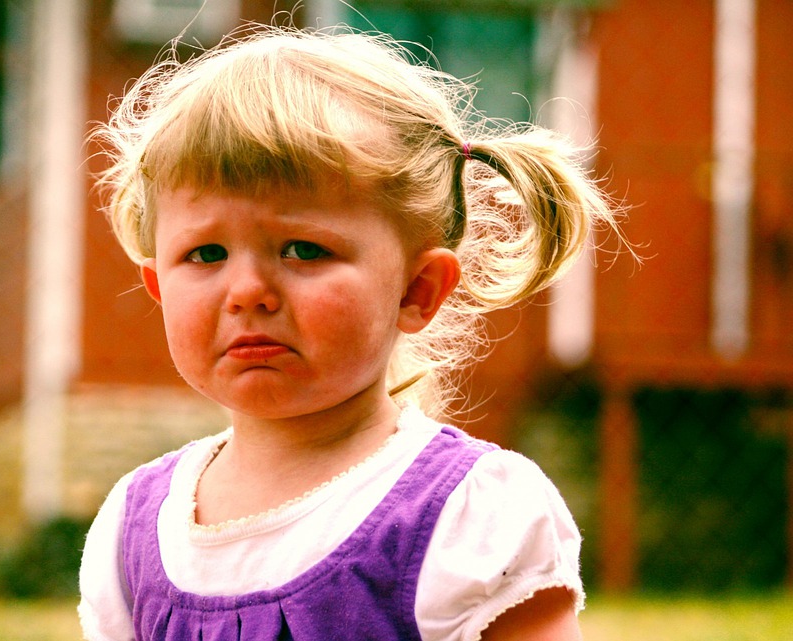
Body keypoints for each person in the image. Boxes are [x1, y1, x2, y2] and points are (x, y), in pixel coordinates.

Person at [79, 25, 621, 641]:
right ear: (157, 286)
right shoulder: (133, 526)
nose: (246, 290)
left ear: (417, 291)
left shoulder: (468, 515)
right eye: (205, 254)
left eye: (302, 248)